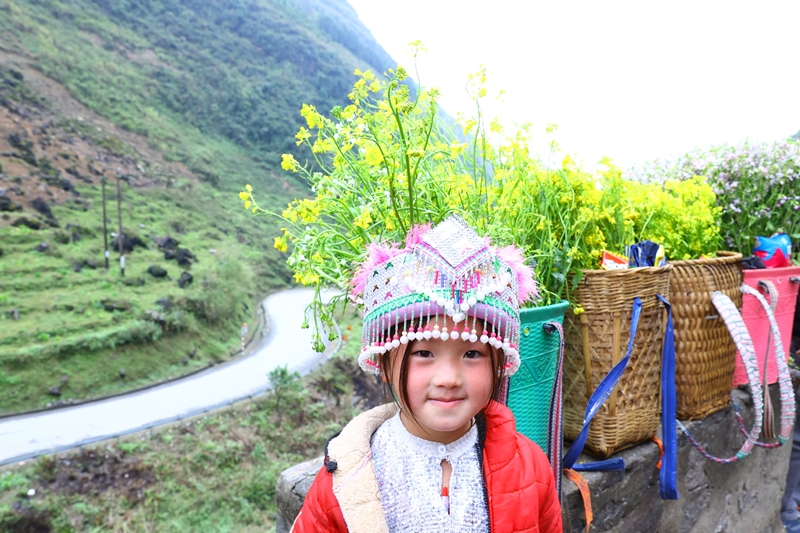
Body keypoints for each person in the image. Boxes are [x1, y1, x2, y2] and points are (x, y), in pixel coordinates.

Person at [291, 215, 562, 532]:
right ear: (385, 363)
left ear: (499, 363)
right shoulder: (343, 480)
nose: (448, 379)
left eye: (472, 353)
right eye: (423, 353)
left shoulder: (531, 467)